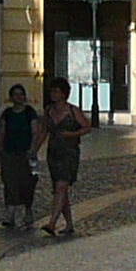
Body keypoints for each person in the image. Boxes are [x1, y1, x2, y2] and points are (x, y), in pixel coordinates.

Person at [42, 75, 94, 237]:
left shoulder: (72, 111)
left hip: (69, 153)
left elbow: (87, 127)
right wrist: (34, 148)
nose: (53, 94)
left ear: (63, 94)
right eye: (52, 91)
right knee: (60, 190)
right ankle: (69, 224)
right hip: (54, 152)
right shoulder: (48, 111)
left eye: (56, 91)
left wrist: (72, 134)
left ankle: (52, 222)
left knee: (61, 186)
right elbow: (43, 131)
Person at [0, 83, 41, 230]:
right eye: (16, 95)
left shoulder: (30, 113)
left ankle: (28, 209)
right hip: (9, 153)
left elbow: (35, 132)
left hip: (25, 154)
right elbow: (1, 133)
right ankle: (10, 214)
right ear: (11, 97)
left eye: (21, 94)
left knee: (27, 183)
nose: (19, 97)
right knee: (9, 182)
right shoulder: (7, 114)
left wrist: (33, 150)